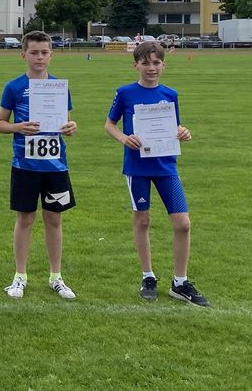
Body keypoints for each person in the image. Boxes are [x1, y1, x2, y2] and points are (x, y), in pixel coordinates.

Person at [104, 41, 207, 306]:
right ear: (135, 64)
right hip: (137, 168)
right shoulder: (125, 93)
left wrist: (183, 132)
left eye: (156, 62)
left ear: (164, 64)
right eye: (146, 62)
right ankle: (148, 276)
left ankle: (180, 282)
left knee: (183, 223)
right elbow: (109, 125)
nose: (151, 67)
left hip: (165, 167)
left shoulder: (170, 94)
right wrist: (124, 138)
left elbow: (173, 127)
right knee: (142, 221)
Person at [0, 31, 79, 300]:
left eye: (44, 52)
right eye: (34, 52)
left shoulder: (59, 87)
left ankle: (56, 276)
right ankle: (20, 276)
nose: (39, 57)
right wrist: (18, 127)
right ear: (24, 55)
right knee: (25, 219)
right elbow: (0, 124)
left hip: (55, 166)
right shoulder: (14, 87)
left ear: (51, 55)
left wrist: (71, 127)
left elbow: (66, 121)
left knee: (54, 219)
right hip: (24, 165)